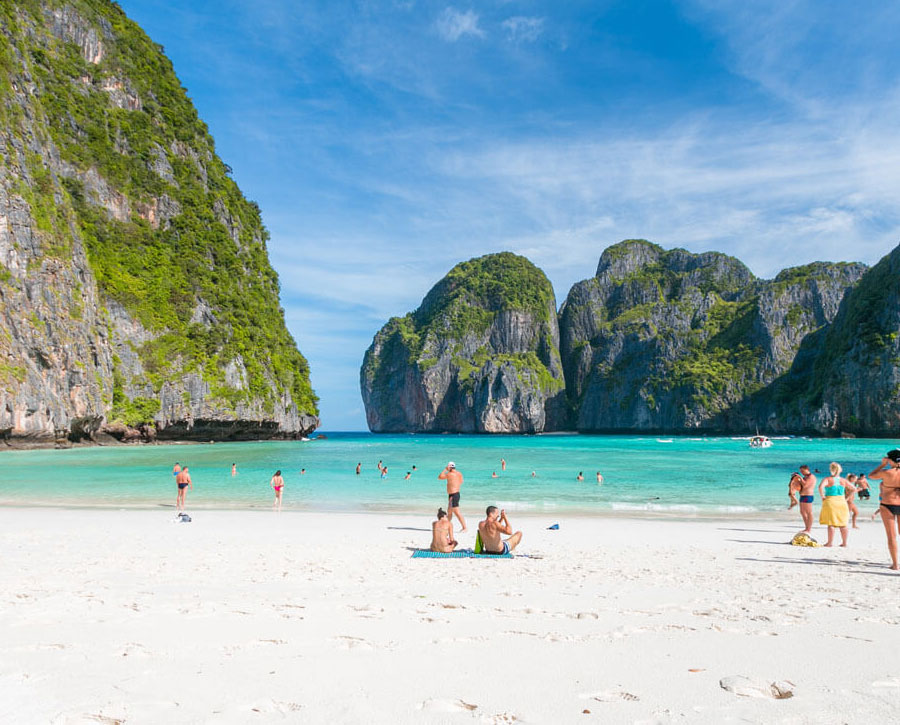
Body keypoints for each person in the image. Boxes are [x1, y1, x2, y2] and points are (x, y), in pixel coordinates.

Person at [868, 450, 900, 570]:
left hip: (888, 504)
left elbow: (871, 476)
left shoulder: (886, 472)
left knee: (891, 536)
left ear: (890, 460)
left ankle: (895, 564)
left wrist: (882, 464)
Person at [818, 462, 856, 547]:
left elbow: (820, 487)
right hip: (841, 501)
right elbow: (854, 489)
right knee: (843, 523)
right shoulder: (843, 480)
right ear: (840, 470)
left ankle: (830, 542)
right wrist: (847, 498)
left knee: (831, 523)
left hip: (830, 501)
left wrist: (822, 496)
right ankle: (844, 543)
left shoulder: (827, 479)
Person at [439, 461, 466, 532]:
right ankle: (446, 526)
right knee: (450, 512)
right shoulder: (459, 473)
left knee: (457, 512)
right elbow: (461, 481)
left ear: (449, 467)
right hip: (454, 494)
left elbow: (440, 477)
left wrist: (445, 469)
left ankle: (464, 527)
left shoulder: (449, 474)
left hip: (454, 495)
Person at [798, 464, 816, 533]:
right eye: (800, 471)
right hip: (802, 495)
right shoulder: (805, 477)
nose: (802, 472)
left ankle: (809, 529)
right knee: (802, 512)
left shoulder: (811, 477)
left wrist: (800, 478)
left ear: (807, 470)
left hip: (808, 496)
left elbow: (805, 485)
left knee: (809, 512)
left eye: (802, 471)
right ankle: (806, 527)